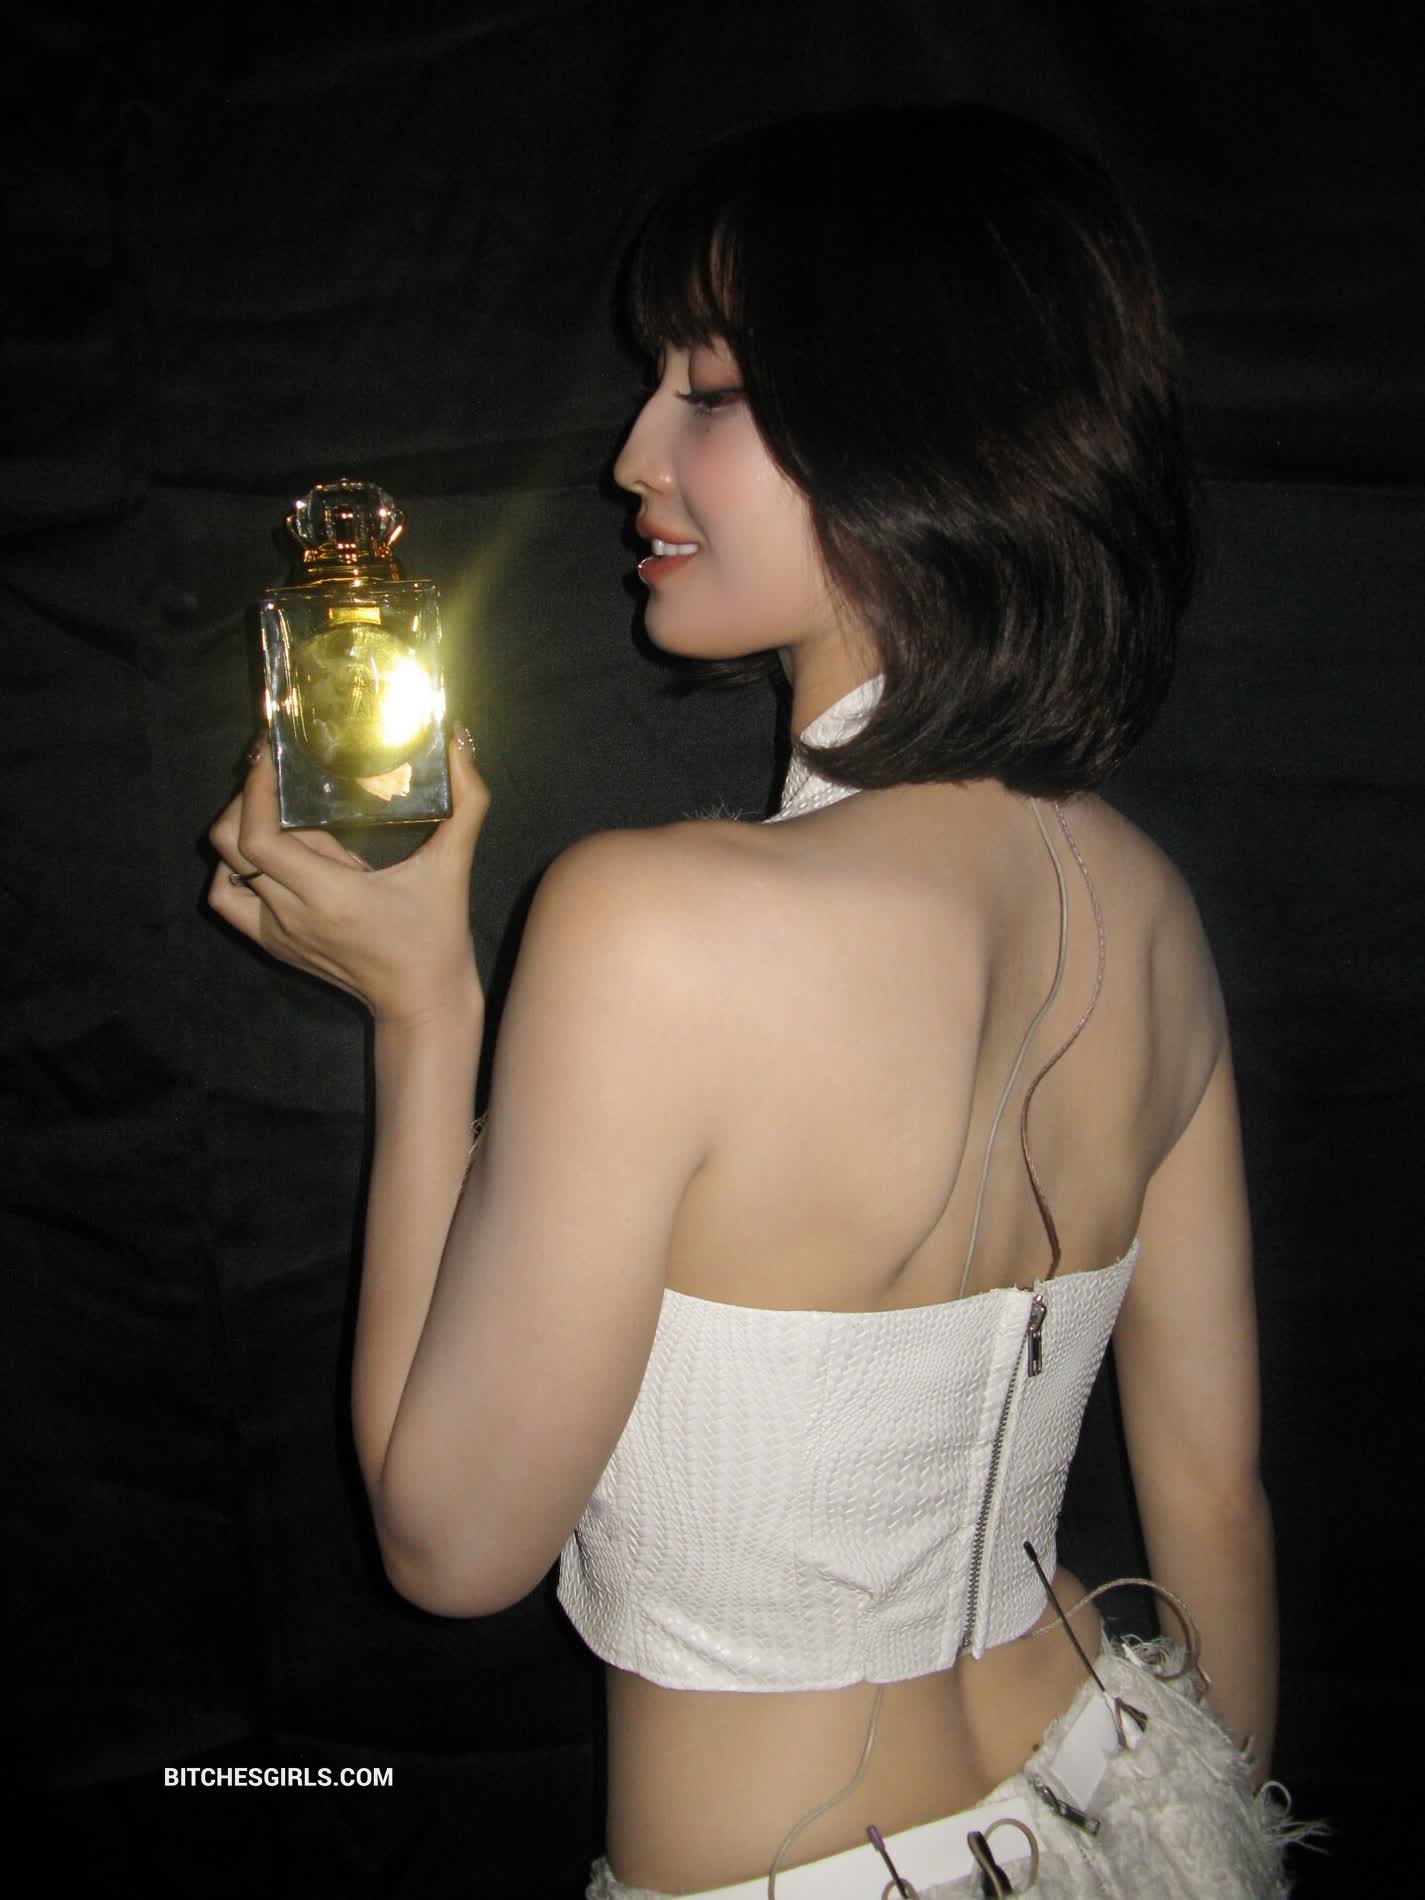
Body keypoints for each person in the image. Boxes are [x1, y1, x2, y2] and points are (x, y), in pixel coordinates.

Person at [210, 105, 1305, 1898]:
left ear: (916, 422)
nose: (630, 454)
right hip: (1135, 1799)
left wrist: (424, 1017)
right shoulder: (1146, 902)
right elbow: (1212, 1502)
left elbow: (451, 1546)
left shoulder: (651, 924)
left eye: (706, 392)